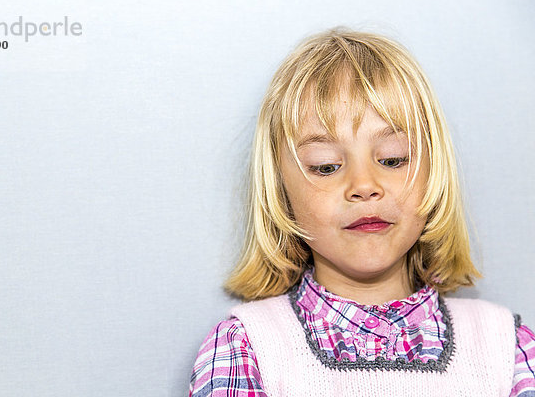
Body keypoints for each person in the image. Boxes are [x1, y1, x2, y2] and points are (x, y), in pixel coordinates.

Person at [188, 28, 535, 396]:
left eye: (392, 159)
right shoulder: (247, 347)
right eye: (326, 166)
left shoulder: (506, 347)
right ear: (280, 190)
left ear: (435, 171)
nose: (364, 185)